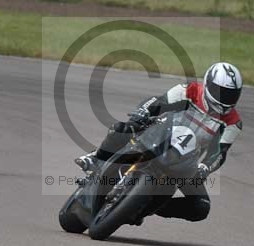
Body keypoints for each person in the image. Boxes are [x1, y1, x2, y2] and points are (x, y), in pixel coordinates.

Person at [75, 62, 243, 224]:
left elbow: (219, 153)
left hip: (185, 161)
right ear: (208, 84)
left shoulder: (232, 123)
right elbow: (157, 102)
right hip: (159, 136)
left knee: (200, 207)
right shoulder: (189, 91)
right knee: (121, 129)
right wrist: (142, 113)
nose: (225, 98)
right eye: (220, 91)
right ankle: (96, 159)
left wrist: (205, 167)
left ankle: (144, 206)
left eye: (231, 94)